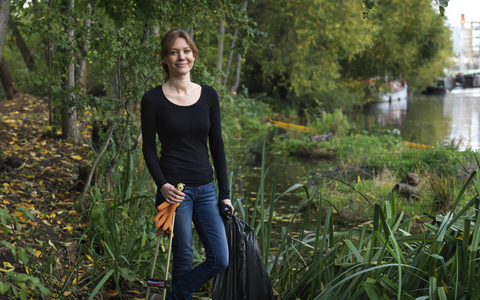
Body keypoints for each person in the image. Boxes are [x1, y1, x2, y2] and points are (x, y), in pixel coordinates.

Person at [141, 28, 233, 300]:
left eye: (186, 51)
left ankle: (174, 295)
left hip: (206, 190)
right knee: (181, 260)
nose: (181, 57)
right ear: (165, 58)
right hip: (174, 192)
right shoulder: (152, 99)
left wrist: (225, 195)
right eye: (174, 52)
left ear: (193, 55)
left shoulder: (208, 95)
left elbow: (217, 144)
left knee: (220, 258)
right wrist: (163, 185)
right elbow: (148, 149)